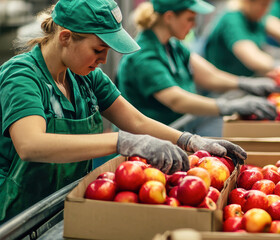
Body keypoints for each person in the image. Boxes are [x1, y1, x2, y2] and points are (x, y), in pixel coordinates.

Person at [0, 0, 246, 224]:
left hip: (64, 203)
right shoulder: (22, 76)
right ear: (65, 37)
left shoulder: (86, 76)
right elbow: (30, 144)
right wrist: (121, 141)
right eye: (98, 50)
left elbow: (135, 120)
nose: (104, 60)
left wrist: (188, 140)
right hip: (19, 217)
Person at [117, 0, 278, 137]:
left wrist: (243, 83)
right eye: (190, 19)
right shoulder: (143, 56)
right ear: (169, 17)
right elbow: (176, 100)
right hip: (146, 143)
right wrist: (228, 106)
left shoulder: (172, 45)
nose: (194, 25)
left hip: (174, 131)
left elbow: (209, 76)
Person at [204, 0, 280, 76]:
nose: (266, 9)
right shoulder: (232, 20)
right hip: (225, 90)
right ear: (247, 1)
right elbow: (253, 59)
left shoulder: (255, 17)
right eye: (263, 4)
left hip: (247, 80)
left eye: (269, 5)